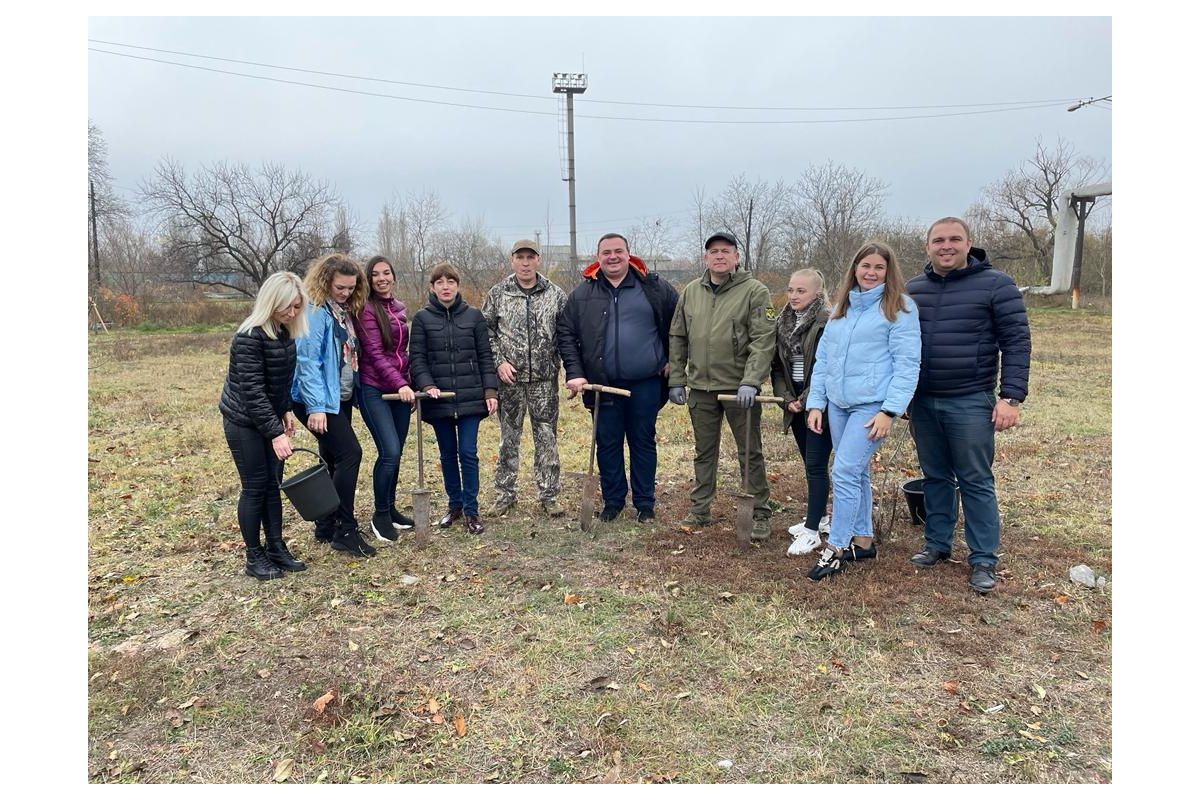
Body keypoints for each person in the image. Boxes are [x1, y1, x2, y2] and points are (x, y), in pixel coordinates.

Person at [905, 217, 1031, 594]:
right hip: (923, 401)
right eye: (938, 240)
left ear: (968, 243)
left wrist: (1011, 397)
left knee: (975, 479)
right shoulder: (913, 290)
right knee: (935, 476)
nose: (946, 246)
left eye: (954, 239)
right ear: (927, 247)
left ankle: (982, 558)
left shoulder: (996, 285)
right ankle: (938, 543)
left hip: (970, 400)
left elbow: (1017, 342)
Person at [804, 242, 921, 581]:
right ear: (854, 268)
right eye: (865, 266)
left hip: (872, 406)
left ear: (888, 272)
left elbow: (907, 364)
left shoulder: (899, 308)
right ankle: (864, 541)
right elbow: (824, 360)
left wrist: (890, 410)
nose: (871, 272)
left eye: (878, 268)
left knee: (843, 471)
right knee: (856, 472)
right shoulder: (841, 307)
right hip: (839, 404)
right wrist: (817, 403)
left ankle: (836, 547)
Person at [557, 233, 678, 523]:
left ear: (628, 254)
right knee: (607, 442)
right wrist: (575, 373)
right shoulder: (582, 295)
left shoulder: (654, 287)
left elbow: (680, 324)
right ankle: (613, 502)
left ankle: (645, 503)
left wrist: (675, 359)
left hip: (646, 382)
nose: (613, 257)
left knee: (642, 441)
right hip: (602, 385)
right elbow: (566, 333)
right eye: (606, 252)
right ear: (597, 257)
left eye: (618, 251)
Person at [668, 232, 776, 541]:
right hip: (701, 388)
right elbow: (678, 337)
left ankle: (759, 512)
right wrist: (677, 378)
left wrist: (751, 381)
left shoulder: (755, 292)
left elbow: (763, 340)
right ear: (705, 258)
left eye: (726, 251)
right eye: (713, 251)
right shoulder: (691, 292)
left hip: (738, 390)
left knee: (749, 452)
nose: (719, 256)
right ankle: (700, 509)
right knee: (704, 451)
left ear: (736, 257)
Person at [219, 271, 309, 580]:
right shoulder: (249, 337)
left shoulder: (285, 334)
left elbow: (280, 382)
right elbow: (253, 392)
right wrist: (274, 434)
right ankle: (253, 556)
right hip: (244, 422)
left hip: (269, 417)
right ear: (272, 301)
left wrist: (285, 412)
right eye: (288, 306)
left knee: (274, 485)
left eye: (297, 306)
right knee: (256, 487)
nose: (293, 312)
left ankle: (276, 548)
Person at [292, 253, 375, 558]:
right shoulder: (315, 312)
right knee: (350, 453)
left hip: (337, 398)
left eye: (351, 288)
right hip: (317, 401)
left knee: (331, 457)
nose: (345, 292)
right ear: (325, 282)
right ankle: (345, 529)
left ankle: (325, 524)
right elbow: (307, 361)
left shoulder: (338, 311)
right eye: (340, 287)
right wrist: (315, 407)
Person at [409, 261, 499, 535]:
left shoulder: (474, 317)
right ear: (432, 287)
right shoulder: (422, 319)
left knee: (468, 453)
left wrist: (490, 390)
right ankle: (455, 505)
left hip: (470, 397)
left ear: (458, 286)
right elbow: (417, 358)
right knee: (448, 454)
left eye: (450, 282)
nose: (445, 287)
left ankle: (472, 509)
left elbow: (485, 356)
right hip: (440, 400)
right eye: (440, 282)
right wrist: (426, 384)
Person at [481, 239, 569, 518]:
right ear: (512, 261)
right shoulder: (498, 293)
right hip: (510, 381)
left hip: (544, 380)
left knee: (546, 438)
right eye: (520, 257)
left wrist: (570, 370)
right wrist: (499, 363)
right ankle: (505, 494)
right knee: (509, 438)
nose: (526, 262)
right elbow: (485, 332)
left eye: (531, 257)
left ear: (538, 260)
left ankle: (549, 495)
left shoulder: (555, 295)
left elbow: (566, 335)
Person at [769, 269, 833, 557]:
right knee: (810, 463)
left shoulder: (827, 322)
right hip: (794, 403)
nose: (794, 296)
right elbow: (777, 368)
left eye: (801, 291)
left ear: (817, 294)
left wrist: (807, 399)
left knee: (817, 465)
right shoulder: (782, 322)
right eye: (791, 290)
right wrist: (787, 399)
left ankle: (812, 533)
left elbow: (826, 367)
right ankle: (819, 517)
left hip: (819, 404)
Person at [354, 255, 417, 543]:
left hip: (401, 390)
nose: (382, 278)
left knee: (398, 452)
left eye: (386, 273)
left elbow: (402, 353)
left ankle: (390, 508)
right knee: (389, 451)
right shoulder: (366, 310)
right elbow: (376, 355)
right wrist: (400, 384)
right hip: (375, 389)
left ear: (393, 276)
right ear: (369, 279)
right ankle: (379, 515)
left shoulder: (400, 308)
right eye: (376, 274)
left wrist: (412, 384)